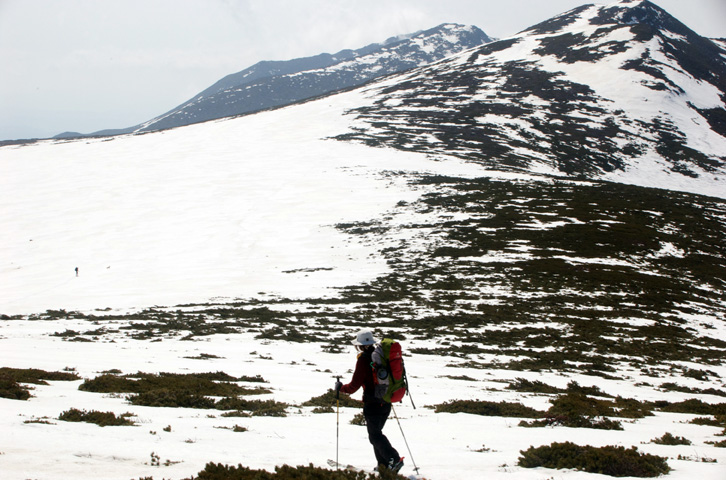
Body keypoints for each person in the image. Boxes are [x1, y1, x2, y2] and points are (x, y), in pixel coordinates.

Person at [336, 330, 404, 473]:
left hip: (372, 404)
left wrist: (341, 388)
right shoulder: (381, 356)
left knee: (374, 436)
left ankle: (393, 459)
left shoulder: (364, 360)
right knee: (376, 434)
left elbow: (354, 385)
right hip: (386, 402)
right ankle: (383, 465)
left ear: (360, 345)